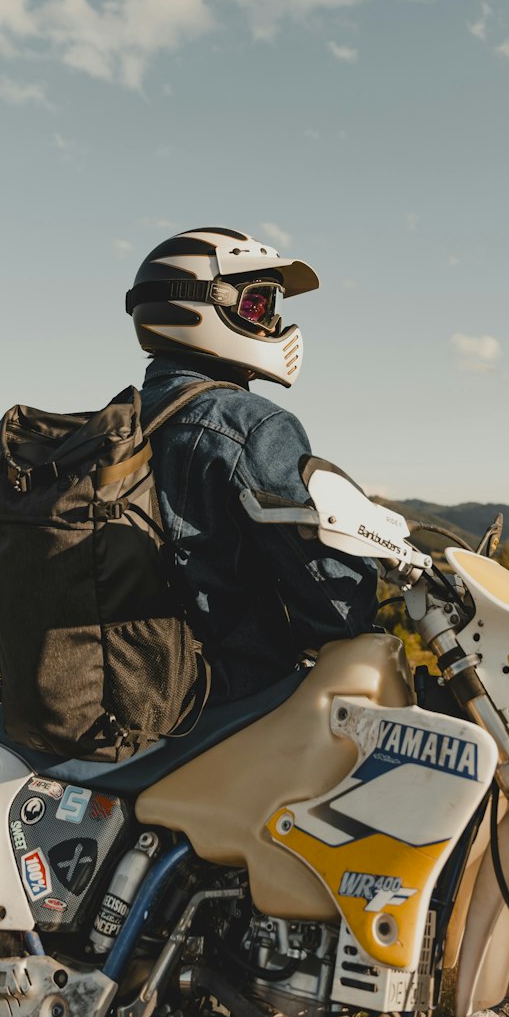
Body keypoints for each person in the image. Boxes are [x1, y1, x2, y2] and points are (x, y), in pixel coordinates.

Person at [126, 226, 380, 705]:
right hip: (232, 703)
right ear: (201, 305)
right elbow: (335, 604)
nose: (272, 325)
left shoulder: (118, 423)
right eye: (257, 304)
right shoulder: (249, 424)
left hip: (130, 700)